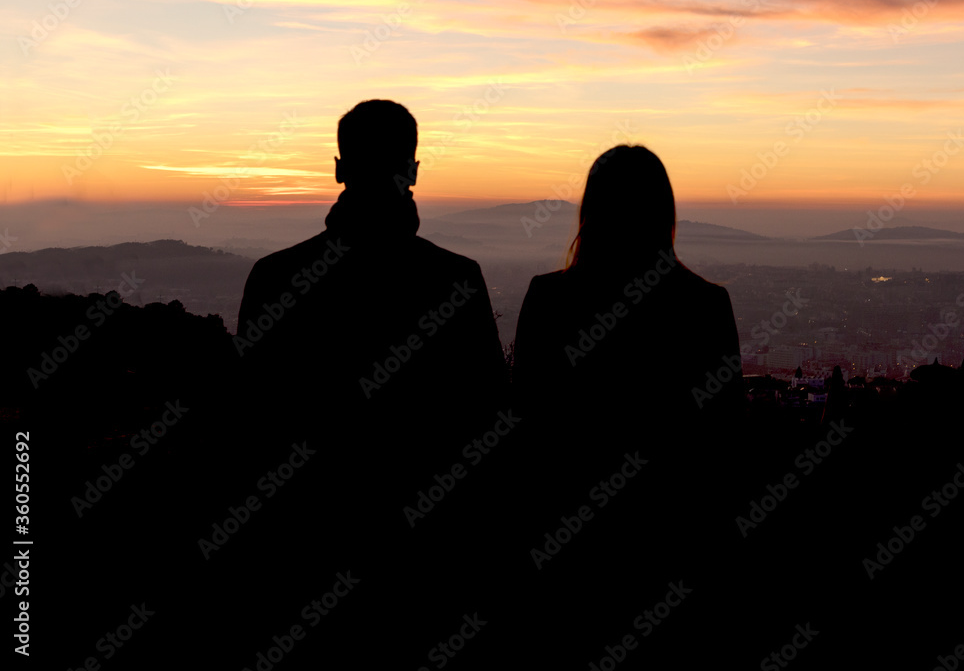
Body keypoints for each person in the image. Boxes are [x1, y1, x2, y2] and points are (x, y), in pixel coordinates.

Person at [206, 100, 507, 667]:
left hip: (299, 553)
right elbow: (487, 425)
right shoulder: (454, 279)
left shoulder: (275, 277)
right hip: (426, 566)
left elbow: (247, 429)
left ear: (339, 168)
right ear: (414, 170)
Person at [509, 144, 745, 663]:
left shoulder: (549, 300)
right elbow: (724, 447)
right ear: (665, 215)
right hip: (672, 548)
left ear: (590, 211)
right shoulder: (705, 306)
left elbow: (522, 433)